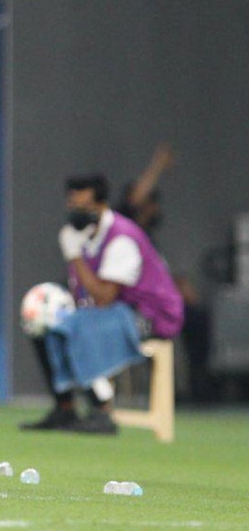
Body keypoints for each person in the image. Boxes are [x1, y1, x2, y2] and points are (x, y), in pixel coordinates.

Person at [22, 173, 184, 433]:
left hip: (154, 315)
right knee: (43, 322)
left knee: (82, 325)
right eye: (73, 205)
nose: (78, 212)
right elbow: (82, 294)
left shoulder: (121, 237)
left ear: (101, 205)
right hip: (114, 311)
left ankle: (102, 411)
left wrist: (74, 256)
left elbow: (103, 297)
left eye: (85, 207)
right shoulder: (81, 234)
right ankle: (64, 408)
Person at [116, 143, 217, 402]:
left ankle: (198, 385)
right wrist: (158, 164)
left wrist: (178, 287)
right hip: (135, 306)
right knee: (158, 329)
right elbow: (134, 199)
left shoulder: (149, 238)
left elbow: (158, 276)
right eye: (150, 202)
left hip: (159, 303)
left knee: (197, 318)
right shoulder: (123, 230)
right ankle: (160, 394)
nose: (155, 208)